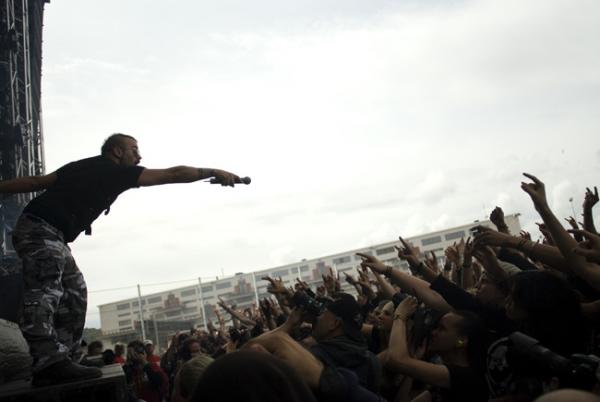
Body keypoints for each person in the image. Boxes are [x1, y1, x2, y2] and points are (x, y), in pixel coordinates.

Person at [0, 133, 244, 386]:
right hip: (39, 229)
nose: (139, 156)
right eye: (134, 150)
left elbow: (34, 182)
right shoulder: (112, 171)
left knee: (75, 292)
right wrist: (214, 170)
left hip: (52, 234)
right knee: (45, 289)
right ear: (117, 152)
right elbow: (173, 174)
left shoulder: (81, 166)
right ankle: (46, 361)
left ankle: (65, 357)